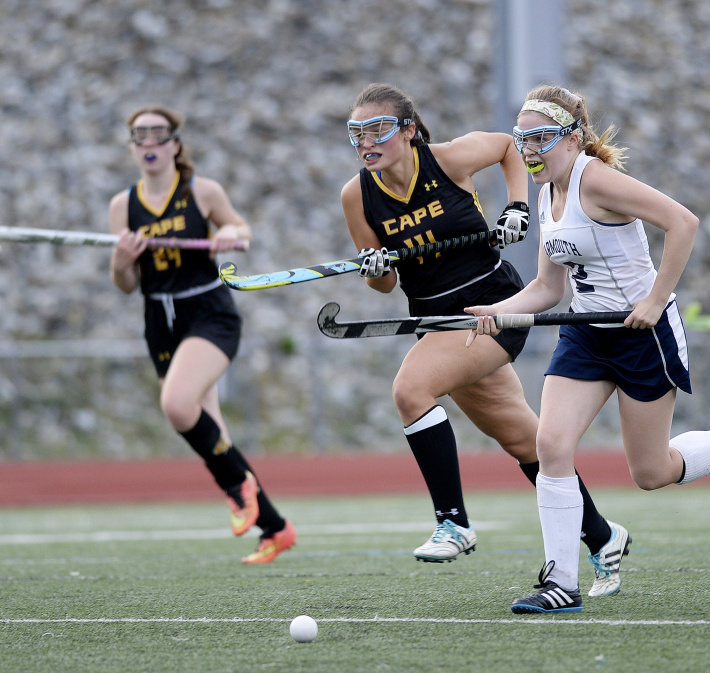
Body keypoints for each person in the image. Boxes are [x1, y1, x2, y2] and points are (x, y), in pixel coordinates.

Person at [466, 85, 710, 614]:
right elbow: (550, 289)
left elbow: (684, 222)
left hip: (642, 335)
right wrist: (501, 311)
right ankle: (561, 582)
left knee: (651, 472)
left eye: (541, 138)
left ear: (572, 139)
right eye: (523, 140)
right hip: (587, 333)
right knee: (552, 444)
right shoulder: (548, 195)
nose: (530, 150)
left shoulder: (599, 181)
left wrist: (657, 300)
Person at [340, 83, 632, 598]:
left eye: (378, 128)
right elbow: (384, 284)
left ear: (408, 131)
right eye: (357, 132)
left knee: (410, 390)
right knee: (526, 441)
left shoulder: (448, 160)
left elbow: (505, 147)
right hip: (438, 324)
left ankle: (453, 521)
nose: (368, 141)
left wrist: (517, 206)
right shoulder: (356, 195)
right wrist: (375, 267)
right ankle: (603, 536)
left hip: (492, 311)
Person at [108, 105, 296, 563]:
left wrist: (229, 233)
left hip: (208, 313)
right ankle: (275, 528)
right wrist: (120, 261)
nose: (149, 144)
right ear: (133, 148)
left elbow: (241, 227)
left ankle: (237, 488)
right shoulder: (123, 206)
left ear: (175, 144)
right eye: (140, 136)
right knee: (212, 430)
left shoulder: (200, 190)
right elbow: (128, 285)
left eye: (158, 135)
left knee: (177, 405)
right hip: (160, 322)